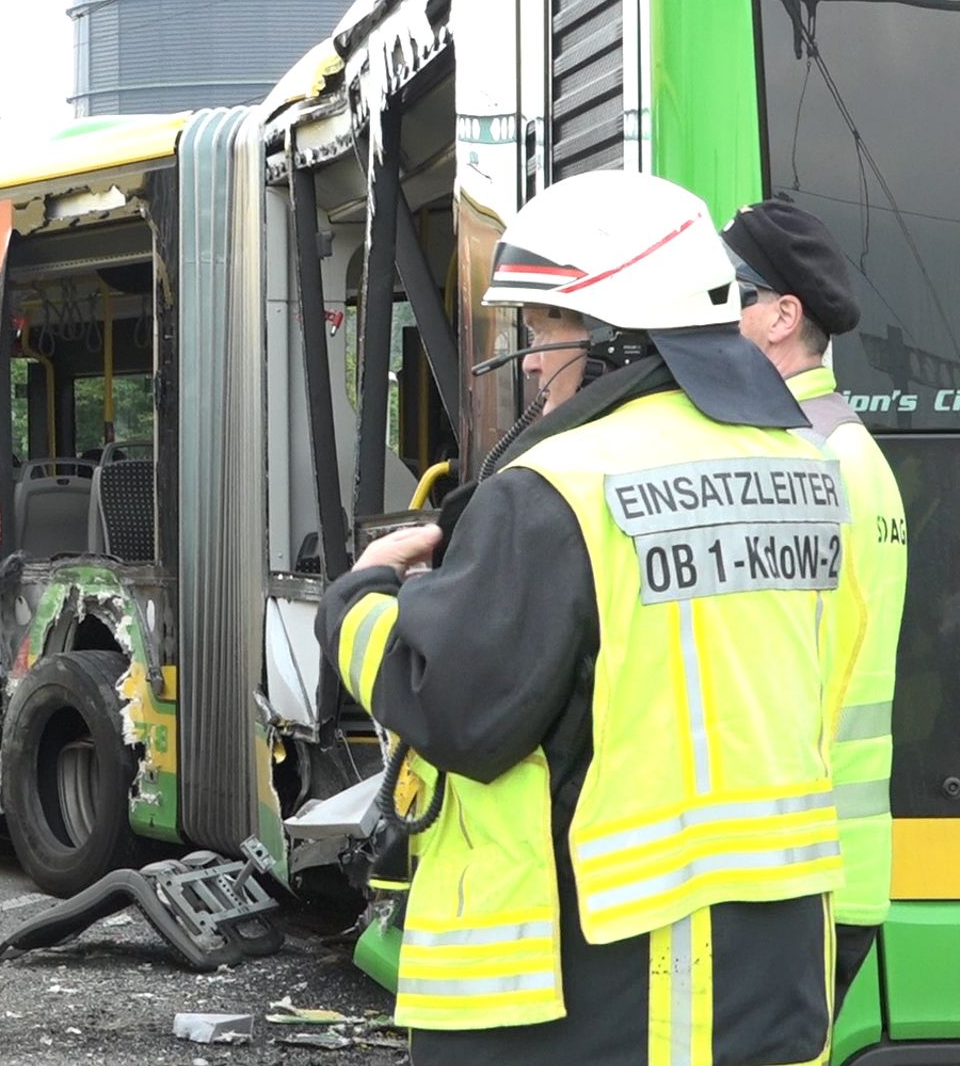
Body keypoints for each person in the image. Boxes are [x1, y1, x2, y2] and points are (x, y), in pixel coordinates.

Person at [324, 171, 845, 1065]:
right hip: (772, 965)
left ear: (613, 336)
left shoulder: (558, 489)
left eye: (544, 329)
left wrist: (360, 600)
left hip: (602, 983)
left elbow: (456, 710)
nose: (532, 361)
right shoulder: (804, 465)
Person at [727, 198, 909, 1011]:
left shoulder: (797, 464)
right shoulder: (842, 446)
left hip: (800, 871)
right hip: (838, 865)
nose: (712, 314)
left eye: (732, 294)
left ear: (782, 317)